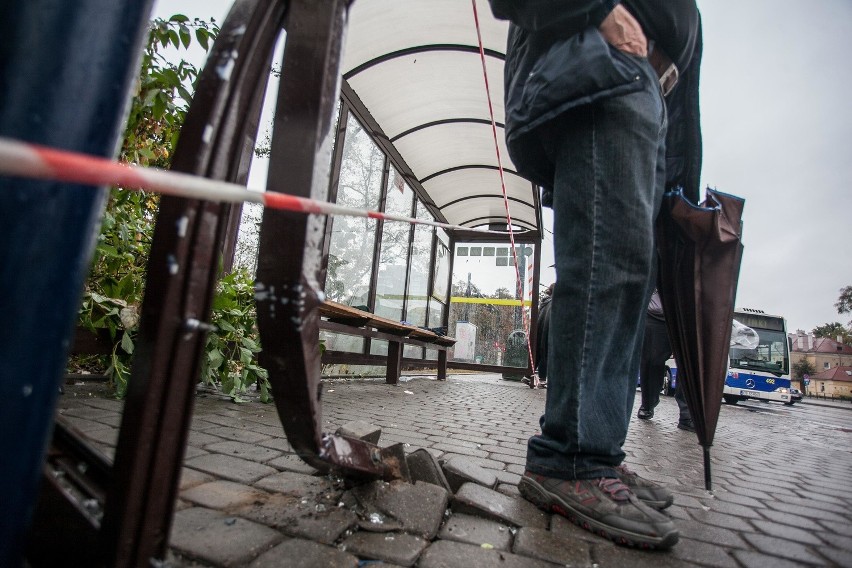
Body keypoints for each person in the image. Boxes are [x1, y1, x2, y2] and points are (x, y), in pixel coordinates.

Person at [488, 0, 703, 550]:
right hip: (599, 67)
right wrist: (601, 11)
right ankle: (569, 460)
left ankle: (597, 453)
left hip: (637, 88)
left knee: (626, 278)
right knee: (605, 268)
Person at [638, 288, 696, 431]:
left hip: (689, 315)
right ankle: (648, 402)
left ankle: (687, 415)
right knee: (651, 361)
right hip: (657, 314)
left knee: (689, 364)